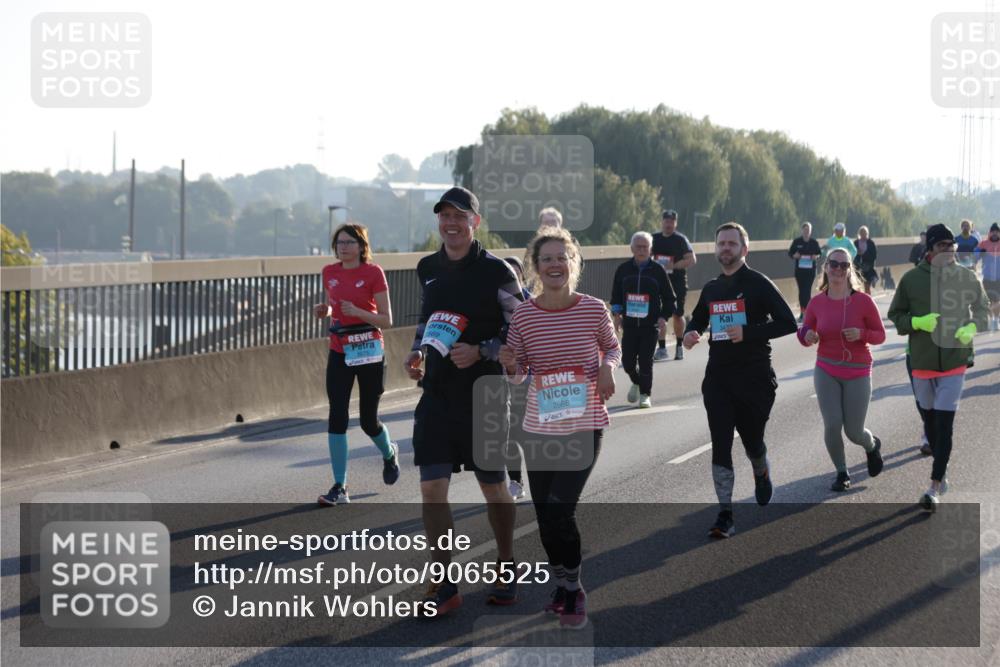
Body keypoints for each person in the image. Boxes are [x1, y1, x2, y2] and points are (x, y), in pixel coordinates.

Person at [403, 186, 525, 613]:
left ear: (475, 221)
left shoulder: (497, 273)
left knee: (493, 488)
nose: (451, 223)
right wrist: (417, 352)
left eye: (460, 216)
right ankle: (445, 584)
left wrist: (483, 350)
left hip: (485, 395)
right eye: (444, 216)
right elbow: (428, 320)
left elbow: (520, 327)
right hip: (437, 394)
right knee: (432, 488)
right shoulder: (428, 267)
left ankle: (506, 565)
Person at [499, 226, 620, 630]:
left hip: (584, 424)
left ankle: (574, 588)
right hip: (539, 427)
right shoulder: (524, 315)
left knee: (560, 507)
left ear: (574, 263)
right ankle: (563, 586)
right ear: (536, 267)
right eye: (547, 258)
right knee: (544, 514)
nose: (555, 264)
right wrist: (512, 364)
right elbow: (519, 374)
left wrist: (606, 367)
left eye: (562, 257)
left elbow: (613, 346)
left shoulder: (592, 309)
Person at [683, 222, 797, 538]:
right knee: (720, 442)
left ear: (744, 249)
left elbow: (789, 323)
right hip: (718, 379)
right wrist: (690, 334)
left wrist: (748, 332)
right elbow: (697, 320)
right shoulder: (711, 288)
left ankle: (760, 470)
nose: (726, 248)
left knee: (752, 441)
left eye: (732, 243)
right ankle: (725, 514)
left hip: (755, 379)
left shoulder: (759, 284)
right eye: (721, 243)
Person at [887, 223, 990, 512]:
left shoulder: (966, 277)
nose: (949, 250)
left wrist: (972, 327)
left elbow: (983, 310)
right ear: (930, 250)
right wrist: (916, 324)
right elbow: (896, 314)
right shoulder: (911, 280)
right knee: (930, 424)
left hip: (955, 360)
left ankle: (934, 486)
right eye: (942, 246)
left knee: (944, 427)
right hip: (921, 362)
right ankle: (941, 474)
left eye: (951, 245)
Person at [313, 223, 399, 505]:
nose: (343, 247)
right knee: (337, 415)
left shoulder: (373, 273)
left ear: (362, 246)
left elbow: (387, 320)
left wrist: (359, 312)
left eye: (349, 242)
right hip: (340, 349)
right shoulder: (329, 272)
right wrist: (326, 310)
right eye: (339, 242)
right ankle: (340, 486)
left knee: (367, 420)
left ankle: (389, 453)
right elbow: (334, 305)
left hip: (370, 351)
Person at [798, 248, 886, 491]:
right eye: (833, 264)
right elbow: (803, 331)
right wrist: (809, 336)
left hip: (858, 369)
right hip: (826, 368)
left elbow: (880, 335)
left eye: (843, 265)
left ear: (849, 270)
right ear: (825, 267)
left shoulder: (863, 301)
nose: (838, 269)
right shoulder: (817, 302)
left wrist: (862, 334)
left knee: (854, 431)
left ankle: (871, 446)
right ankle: (841, 472)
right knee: (833, 423)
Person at [610, 231, 676, 408]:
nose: (641, 250)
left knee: (646, 361)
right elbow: (616, 296)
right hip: (629, 325)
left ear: (650, 249)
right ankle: (637, 382)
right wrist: (617, 316)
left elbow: (670, 298)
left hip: (650, 325)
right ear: (632, 248)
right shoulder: (623, 270)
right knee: (628, 363)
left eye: (645, 247)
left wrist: (664, 317)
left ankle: (646, 394)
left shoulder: (658, 270)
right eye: (638, 247)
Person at [503, 255, 533, 500]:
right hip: (499, 376)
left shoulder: (532, 304)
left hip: (528, 378)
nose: (511, 278)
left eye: (515, 274)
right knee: (508, 431)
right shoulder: (490, 304)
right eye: (506, 274)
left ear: (522, 277)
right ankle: (515, 481)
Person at [651, 209, 697, 361]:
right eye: (666, 221)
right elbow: (645, 255)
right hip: (658, 282)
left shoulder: (680, 239)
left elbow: (692, 259)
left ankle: (679, 346)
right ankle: (662, 348)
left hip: (677, 282)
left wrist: (674, 265)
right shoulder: (654, 238)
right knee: (658, 315)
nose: (668, 224)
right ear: (662, 222)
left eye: (672, 221)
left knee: (678, 314)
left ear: (675, 223)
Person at [788, 222, 822, 322]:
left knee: (807, 291)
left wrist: (816, 257)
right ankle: (803, 313)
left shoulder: (814, 242)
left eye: (808, 230)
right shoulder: (797, 241)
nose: (806, 232)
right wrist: (795, 256)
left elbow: (819, 254)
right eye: (805, 230)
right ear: (802, 231)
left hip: (810, 271)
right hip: (800, 271)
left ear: (810, 231)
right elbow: (790, 253)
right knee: (801, 292)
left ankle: (808, 313)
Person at [974, 223, 1000, 331]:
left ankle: (996, 320)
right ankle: (992, 320)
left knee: (998, 300)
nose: (994, 233)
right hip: (987, 277)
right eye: (993, 231)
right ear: (990, 232)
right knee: (989, 301)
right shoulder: (983, 244)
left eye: (996, 231)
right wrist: (980, 252)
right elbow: (975, 256)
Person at [853, 226, 878, 294]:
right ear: (859, 234)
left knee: (867, 287)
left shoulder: (871, 243)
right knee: (857, 287)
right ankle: (859, 301)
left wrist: (863, 254)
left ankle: (868, 301)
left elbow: (874, 256)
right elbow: (852, 255)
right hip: (858, 268)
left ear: (867, 234)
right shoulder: (855, 243)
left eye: (865, 233)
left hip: (868, 268)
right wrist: (857, 253)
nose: (863, 235)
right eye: (862, 233)